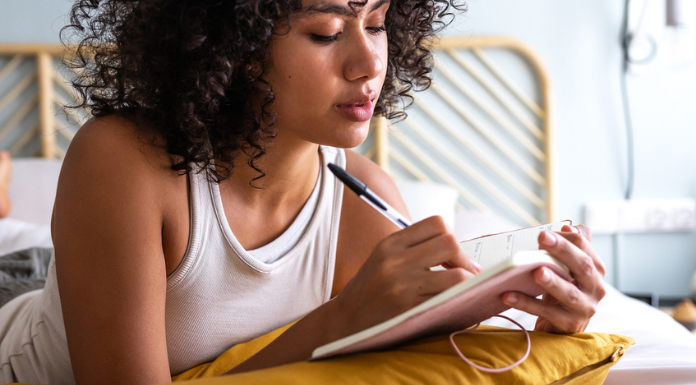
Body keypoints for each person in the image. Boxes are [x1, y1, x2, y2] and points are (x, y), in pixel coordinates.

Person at [0, 1, 607, 384]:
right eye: (326, 32)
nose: (368, 63)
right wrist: (342, 318)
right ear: (232, 48)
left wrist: (539, 310)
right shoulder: (123, 160)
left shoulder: (364, 200)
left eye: (376, 23)